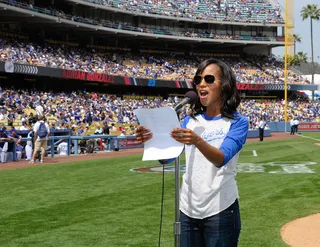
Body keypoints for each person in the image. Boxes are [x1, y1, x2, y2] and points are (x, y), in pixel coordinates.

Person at [136, 59, 248, 247]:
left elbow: (221, 158)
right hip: (187, 210)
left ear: (225, 85)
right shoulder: (189, 121)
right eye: (198, 79)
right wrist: (151, 140)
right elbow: (167, 159)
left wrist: (197, 141)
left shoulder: (238, 122)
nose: (201, 84)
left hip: (221, 209)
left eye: (209, 79)